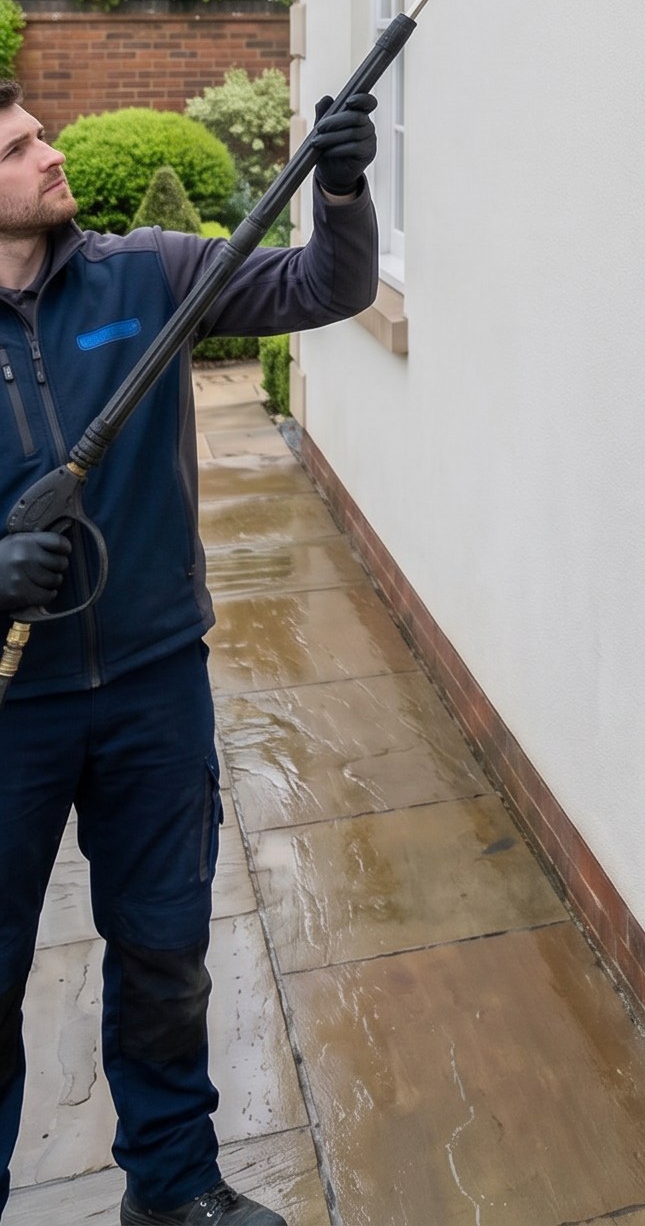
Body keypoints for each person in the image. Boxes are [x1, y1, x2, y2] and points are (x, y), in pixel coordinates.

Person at [0, 77, 378, 1226]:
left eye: (41, 132)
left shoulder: (147, 272)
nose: (51, 151)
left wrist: (346, 186)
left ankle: (172, 1187)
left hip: (157, 688)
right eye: (19, 148)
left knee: (164, 951)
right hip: (14, 713)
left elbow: (327, 285)